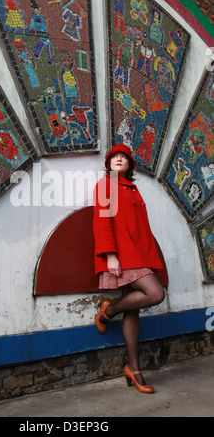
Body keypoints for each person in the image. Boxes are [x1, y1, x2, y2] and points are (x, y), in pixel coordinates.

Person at [93, 143, 165, 393]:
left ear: (130, 165)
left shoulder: (132, 188)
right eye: (115, 157)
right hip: (123, 257)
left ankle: (133, 369)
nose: (120, 159)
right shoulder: (105, 185)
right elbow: (102, 221)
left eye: (124, 157)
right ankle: (108, 311)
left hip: (139, 255)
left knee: (133, 311)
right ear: (108, 163)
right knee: (156, 294)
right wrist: (110, 255)